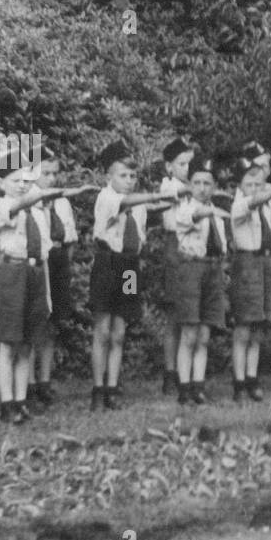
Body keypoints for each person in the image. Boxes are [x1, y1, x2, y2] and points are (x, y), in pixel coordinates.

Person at [89, 140, 178, 410]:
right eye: (122, 176)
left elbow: (147, 209)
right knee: (103, 329)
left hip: (129, 267)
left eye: (132, 176)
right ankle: (98, 388)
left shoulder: (137, 203)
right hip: (108, 264)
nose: (129, 181)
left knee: (120, 329)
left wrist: (172, 200)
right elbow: (128, 201)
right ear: (108, 177)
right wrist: (154, 196)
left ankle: (113, 386)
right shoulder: (107, 197)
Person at [0, 163, 55, 423]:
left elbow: (44, 252)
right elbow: (14, 209)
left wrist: (46, 292)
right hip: (12, 273)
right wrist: (36, 196)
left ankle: (21, 400)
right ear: (1, 183)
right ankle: (7, 404)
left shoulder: (38, 211)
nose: (22, 185)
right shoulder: (2, 205)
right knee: (9, 342)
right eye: (15, 180)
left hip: (35, 274)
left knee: (27, 343)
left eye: (27, 180)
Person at [30, 149, 94, 408]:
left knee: (52, 323)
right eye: (45, 173)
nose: (51, 179)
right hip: (37, 262)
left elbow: (70, 238)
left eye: (55, 173)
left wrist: (64, 263)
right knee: (36, 321)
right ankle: (29, 384)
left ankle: (45, 381)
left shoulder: (62, 203)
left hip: (57, 261)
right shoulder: (31, 198)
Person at [228, 155, 271, 401]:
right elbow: (253, 202)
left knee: (259, 326)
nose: (254, 189)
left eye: (258, 184)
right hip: (246, 263)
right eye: (249, 184)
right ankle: (239, 382)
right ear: (240, 187)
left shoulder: (268, 205)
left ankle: (252, 377)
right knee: (244, 325)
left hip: (265, 262)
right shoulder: (240, 205)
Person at [170, 154, 231, 403]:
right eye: (197, 183)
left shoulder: (216, 212)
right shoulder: (187, 208)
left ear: (214, 186)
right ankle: (183, 387)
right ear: (189, 185)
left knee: (205, 334)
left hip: (213, 270)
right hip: (191, 270)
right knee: (189, 333)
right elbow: (195, 216)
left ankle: (198, 384)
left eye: (208, 184)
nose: (202, 188)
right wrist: (213, 210)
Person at [158, 138, 194, 396]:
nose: (187, 168)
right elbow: (175, 197)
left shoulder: (191, 186)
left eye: (190, 163)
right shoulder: (169, 186)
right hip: (175, 247)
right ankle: (170, 372)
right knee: (174, 316)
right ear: (169, 167)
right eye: (182, 164)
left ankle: (186, 371)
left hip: (192, 247)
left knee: (189, 313)